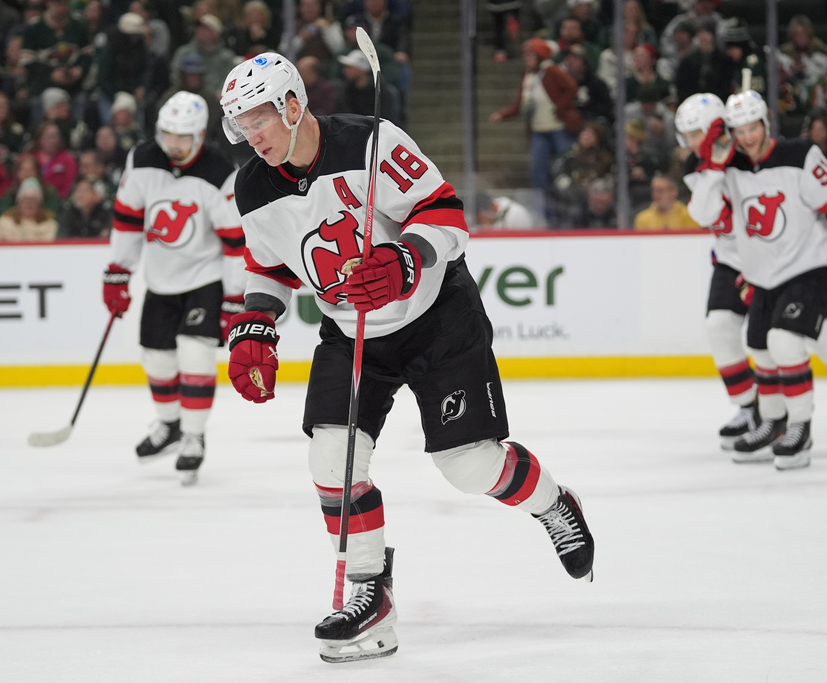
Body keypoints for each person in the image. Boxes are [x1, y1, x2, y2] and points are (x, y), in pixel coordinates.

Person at [218, 52, 595, 662]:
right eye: (240, 124)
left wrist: (405, 260)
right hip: (352, 331)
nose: (251, 134)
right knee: (331, 458)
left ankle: (554, 502)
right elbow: (267, 267)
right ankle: (372, 595)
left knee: (469, 467)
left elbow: (445, 213)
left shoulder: (370, 141)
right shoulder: (251, 187)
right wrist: (257, 322)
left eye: (259, 117)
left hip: (435, 317)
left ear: (292, 104)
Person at [686, 90, 827, 470]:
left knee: (784, 340)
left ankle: (800, 429)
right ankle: (773, 422)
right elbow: (702, 214)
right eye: (739, 130)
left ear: (766, 122)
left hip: (811, 268)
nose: (748, 137)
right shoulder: (727, 165)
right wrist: (713, 163)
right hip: (763, 276)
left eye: (753, 128)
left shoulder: (800, 155)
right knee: (761, 347)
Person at [102, 91, 244, 486]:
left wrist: (234, 297)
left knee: (195, 355)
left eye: (182, 137)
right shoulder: (143, 160)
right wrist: (118, 271)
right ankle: (170, 425)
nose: (173, 145)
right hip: (161, 279)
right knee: (157, 358)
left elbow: (236, 242)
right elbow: (128, 219)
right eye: (167, 134)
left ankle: (194, 437)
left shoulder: (219, 172)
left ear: (200, 136)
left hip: (205, 279)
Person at [491, 38, 580, 213]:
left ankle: (572, 209)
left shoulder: (551, 70)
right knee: (538, 174)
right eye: (525, 55)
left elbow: (572, 88)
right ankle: (544, 214)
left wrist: (558, 107)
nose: (526, 58)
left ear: (539, 55)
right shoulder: (527, 75)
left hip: (559, 128)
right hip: (539, 132)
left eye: (530, 54)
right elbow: (521, 104)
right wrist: (503, 114)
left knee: (566, 171)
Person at [0, 177, 58, 242]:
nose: (29, 204)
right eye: (25, 199)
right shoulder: (5, 222)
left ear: (39, 203)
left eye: (33, 200)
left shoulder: (50, 224)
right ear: (18, 202)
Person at [634, 174, 698, 230]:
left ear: (673, 192)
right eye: (654, 191)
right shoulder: (643, 218)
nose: (656, 195)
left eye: (660, 191)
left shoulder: (690, 215)